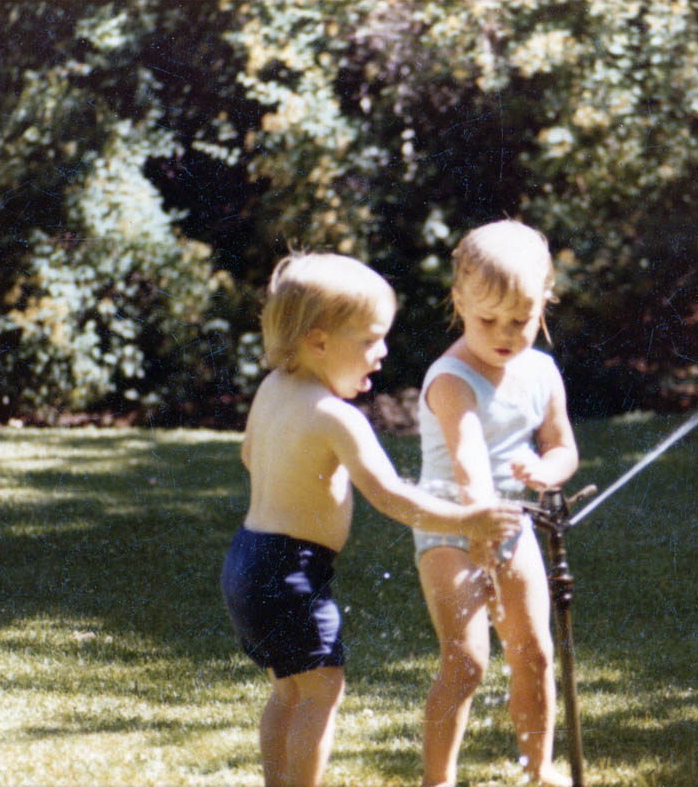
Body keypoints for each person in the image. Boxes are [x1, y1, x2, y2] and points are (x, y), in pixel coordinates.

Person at [220, 252, 523, 787]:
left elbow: (249, 455)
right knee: (322, 692)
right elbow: (391, 496)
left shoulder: (272, 389)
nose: (381, 353)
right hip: (291, 569)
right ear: (318, 341)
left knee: (289, 690)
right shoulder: (336, 417)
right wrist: (468, 519)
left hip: (247, 558)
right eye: (369, 340)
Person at [413, 220, 579, 787]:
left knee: (534, 652)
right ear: (459, 301)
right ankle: (438, 780)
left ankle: (539, 768)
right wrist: (479, 525)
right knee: (467, 661)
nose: (505, 334)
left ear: (543, 305)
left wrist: (547, 471)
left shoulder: (541, 372)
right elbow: (468, 461)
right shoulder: (451, 378)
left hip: (511, 523)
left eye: (521, 320)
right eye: (488, 320)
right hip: (450, 523)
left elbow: (562, 447)